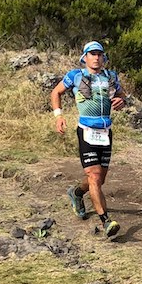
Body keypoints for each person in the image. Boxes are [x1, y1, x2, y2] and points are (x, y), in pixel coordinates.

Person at [50, 41, 126, 238]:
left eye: (99, 54)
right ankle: (106, 221)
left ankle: (76, 192)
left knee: (100, 179)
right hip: (86, 130)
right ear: (84, 57)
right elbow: (56, 92)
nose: (96, 57)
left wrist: (121, 100)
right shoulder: (75, 76)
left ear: (104, 57)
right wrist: (58, 116)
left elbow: (121, 94)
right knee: (94, 176)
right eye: (92, 54)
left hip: (106, 131)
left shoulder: (111, 76)